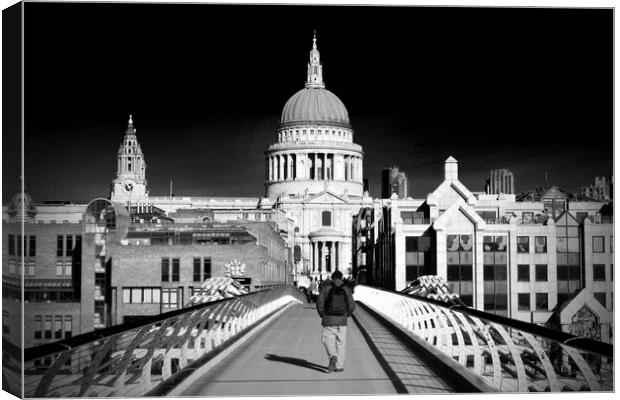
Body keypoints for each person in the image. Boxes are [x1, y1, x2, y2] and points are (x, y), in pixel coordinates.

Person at [316, 270, 355, 373]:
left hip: (328, 319)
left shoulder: (325, 288)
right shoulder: (346, 289)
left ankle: (333, 356)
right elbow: (352, 305)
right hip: (342, 321)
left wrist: (322, 314)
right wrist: (347, 315)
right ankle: (339, 366)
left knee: (327, 340)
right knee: (341, 343)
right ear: (341, 278)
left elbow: (319, 303)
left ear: (332, 278)